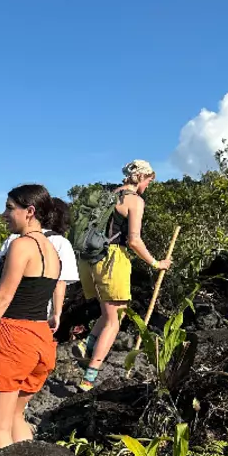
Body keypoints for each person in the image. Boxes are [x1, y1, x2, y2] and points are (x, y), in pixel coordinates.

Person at [0, 184, 66, 450]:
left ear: (29, 211)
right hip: (41, 340)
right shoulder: (53, 250)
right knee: (17, 416)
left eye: (9, 208)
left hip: (13, 340)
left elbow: (4, 297)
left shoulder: (21, 246)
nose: (4, 215)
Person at [79, 160, 173, 390]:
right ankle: (89, 379)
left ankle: (86, 345)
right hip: (112, 259)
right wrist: (156, 263)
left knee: (107, 313)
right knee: (115, 321)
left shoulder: (109, 195)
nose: (149, 185)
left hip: (88, 260)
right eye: (149, 180)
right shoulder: (135, 201)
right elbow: (134, 240)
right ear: (141, 177)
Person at [0, 196, 86, 342]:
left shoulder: (13, 238)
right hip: (36, 319)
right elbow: (60, 283)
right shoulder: (60, 243)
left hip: (2, 315)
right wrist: (57, 314)